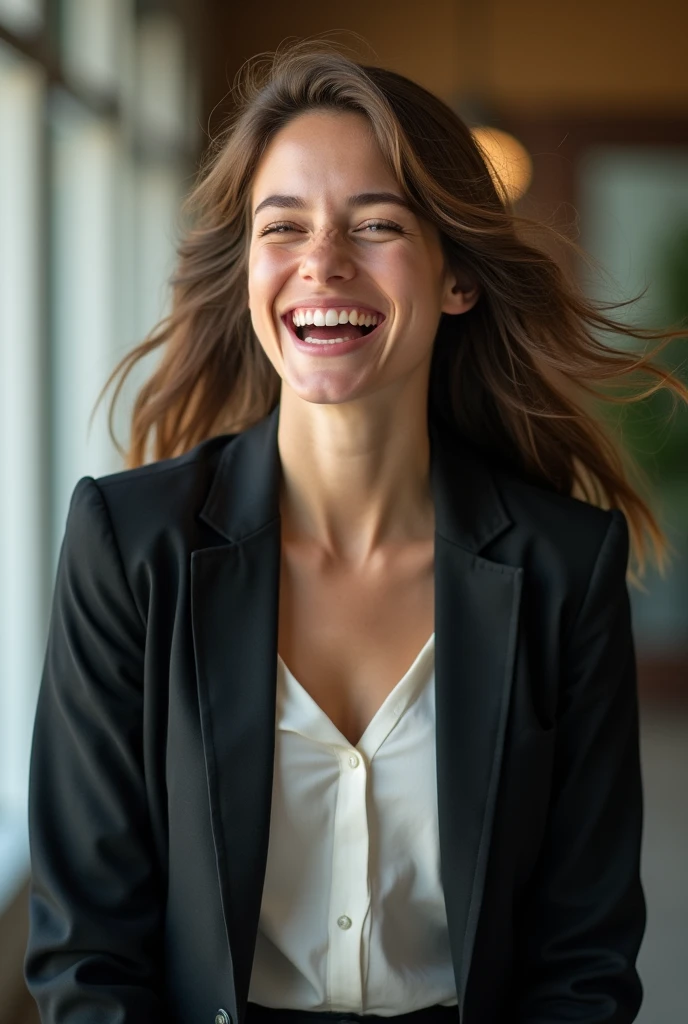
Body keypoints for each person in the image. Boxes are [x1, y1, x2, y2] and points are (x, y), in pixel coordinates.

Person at [23, 37, 688, 1024]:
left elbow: (583, 958)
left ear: (455, 278)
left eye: (375, 224)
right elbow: (88, 951)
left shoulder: (562, 566)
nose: (321, 263)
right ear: (248, 270)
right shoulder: (128, 546)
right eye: (281, 226)